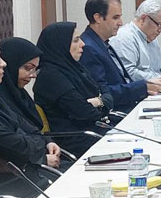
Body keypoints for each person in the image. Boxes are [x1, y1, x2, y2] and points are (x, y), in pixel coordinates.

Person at [0, 39, 64, 198]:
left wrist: (41, 144)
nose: (3, 64)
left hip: (21, 174)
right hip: (5, 190)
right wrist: (39, 156)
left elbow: (30, 130)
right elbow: (18, 145)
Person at [33, 22, 113, 157]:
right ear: (60, 45)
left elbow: (107, 95)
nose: (83, 44)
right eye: (76, 40)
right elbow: (86, 113)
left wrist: (98, 102)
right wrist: (101, 102)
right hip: (77, 140)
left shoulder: (75, 69)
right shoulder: (50, 77)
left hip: (94, 131)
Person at [80, 0, 161, 113]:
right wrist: (143, 86)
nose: (120, 23)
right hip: (115, 114)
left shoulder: (102, 43)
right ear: (98, 18)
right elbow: (102, 93)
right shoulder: (88, 48)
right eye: (115, 18)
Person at [110, 0, 161, 82]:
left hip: (158, 87)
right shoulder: (124, 37)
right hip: (140, 89)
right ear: (143, 18)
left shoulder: (151, 37)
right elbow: (129, 73)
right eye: (159, 24)